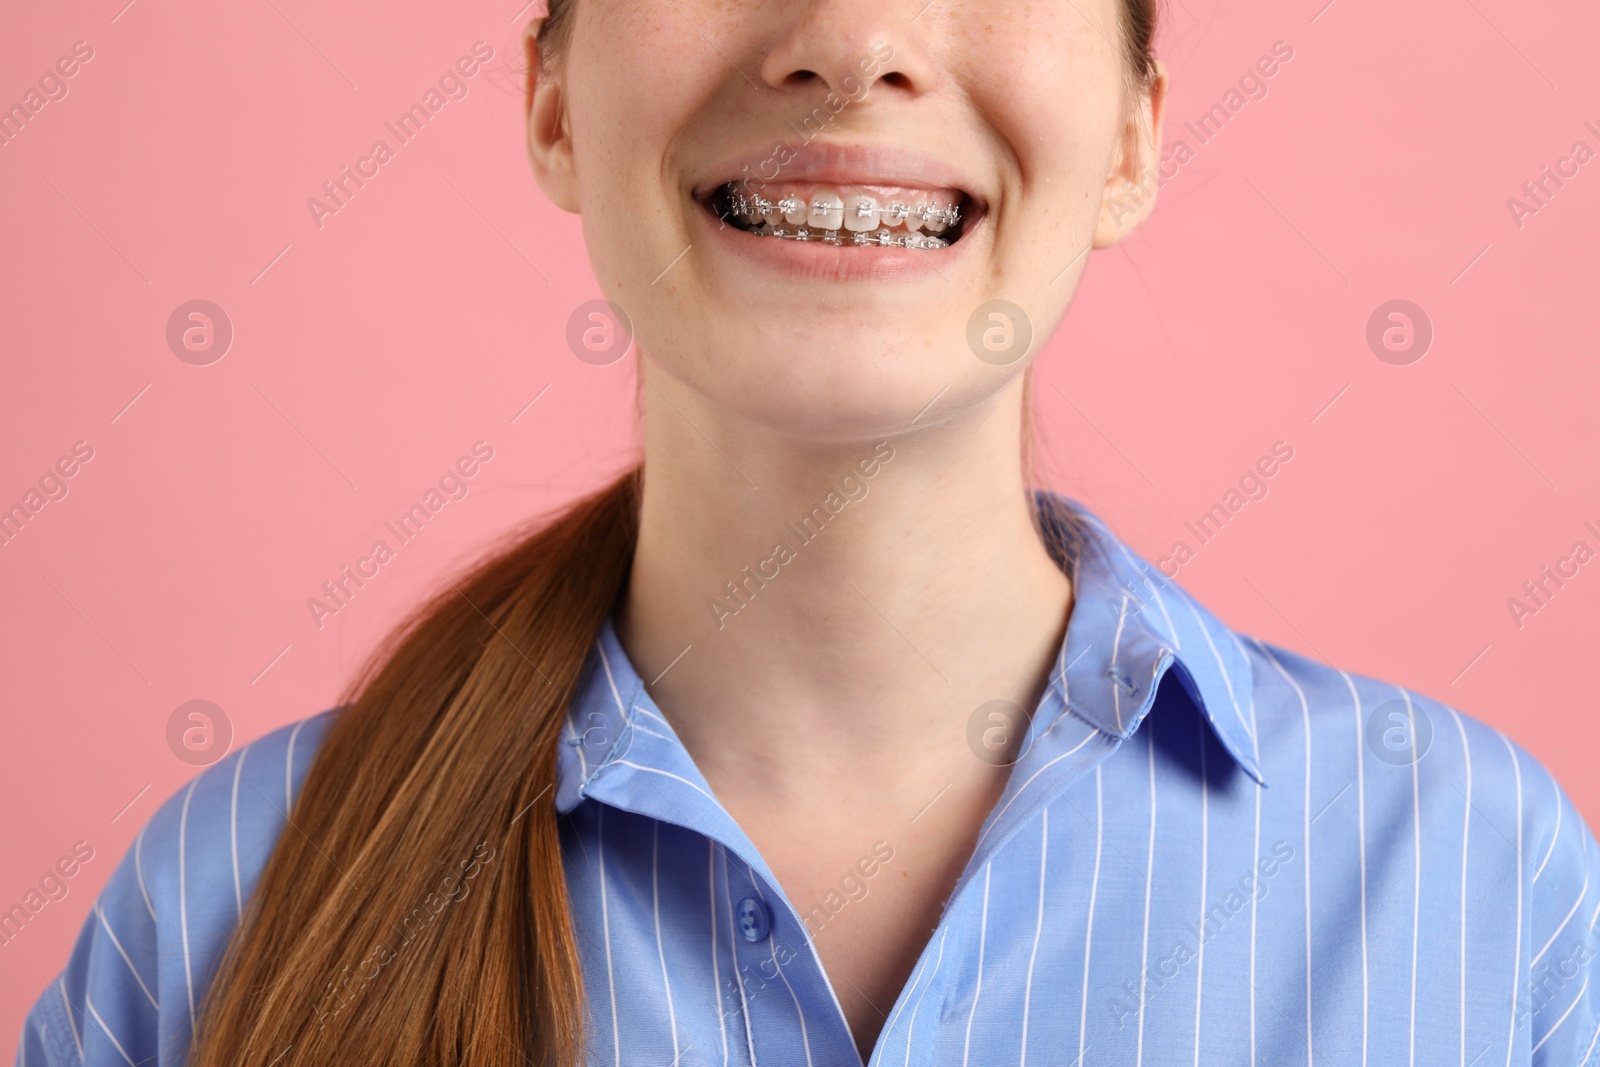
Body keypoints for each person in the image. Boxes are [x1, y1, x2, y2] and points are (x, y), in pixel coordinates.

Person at [17, 0, 1600, 1064]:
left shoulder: (1480, 881)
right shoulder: (220, 900)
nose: (850, 45)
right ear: (556, 101)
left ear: (1130, 136)